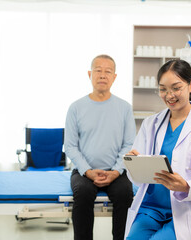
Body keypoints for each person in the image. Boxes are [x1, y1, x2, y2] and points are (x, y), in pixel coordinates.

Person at [124, 59, 191, 240]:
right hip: (151, 208)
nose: (169, 95)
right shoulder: (151, 124)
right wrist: (134, 166)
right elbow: (137, 179)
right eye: (163, 89)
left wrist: (185, 186)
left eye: (176, 88)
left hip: (188, 209)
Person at [65, 54, 136, 240]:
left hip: (116, 171)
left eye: (108, 71)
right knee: (83, 194)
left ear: (114, 77)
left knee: (124, 194)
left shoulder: (125, 108)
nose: (103, 75)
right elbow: (70, 146)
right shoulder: (76, 108)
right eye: (98, 70)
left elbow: (129, 144)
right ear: (90, 74)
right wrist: (87, 171)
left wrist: (115, 171)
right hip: (84, 172)